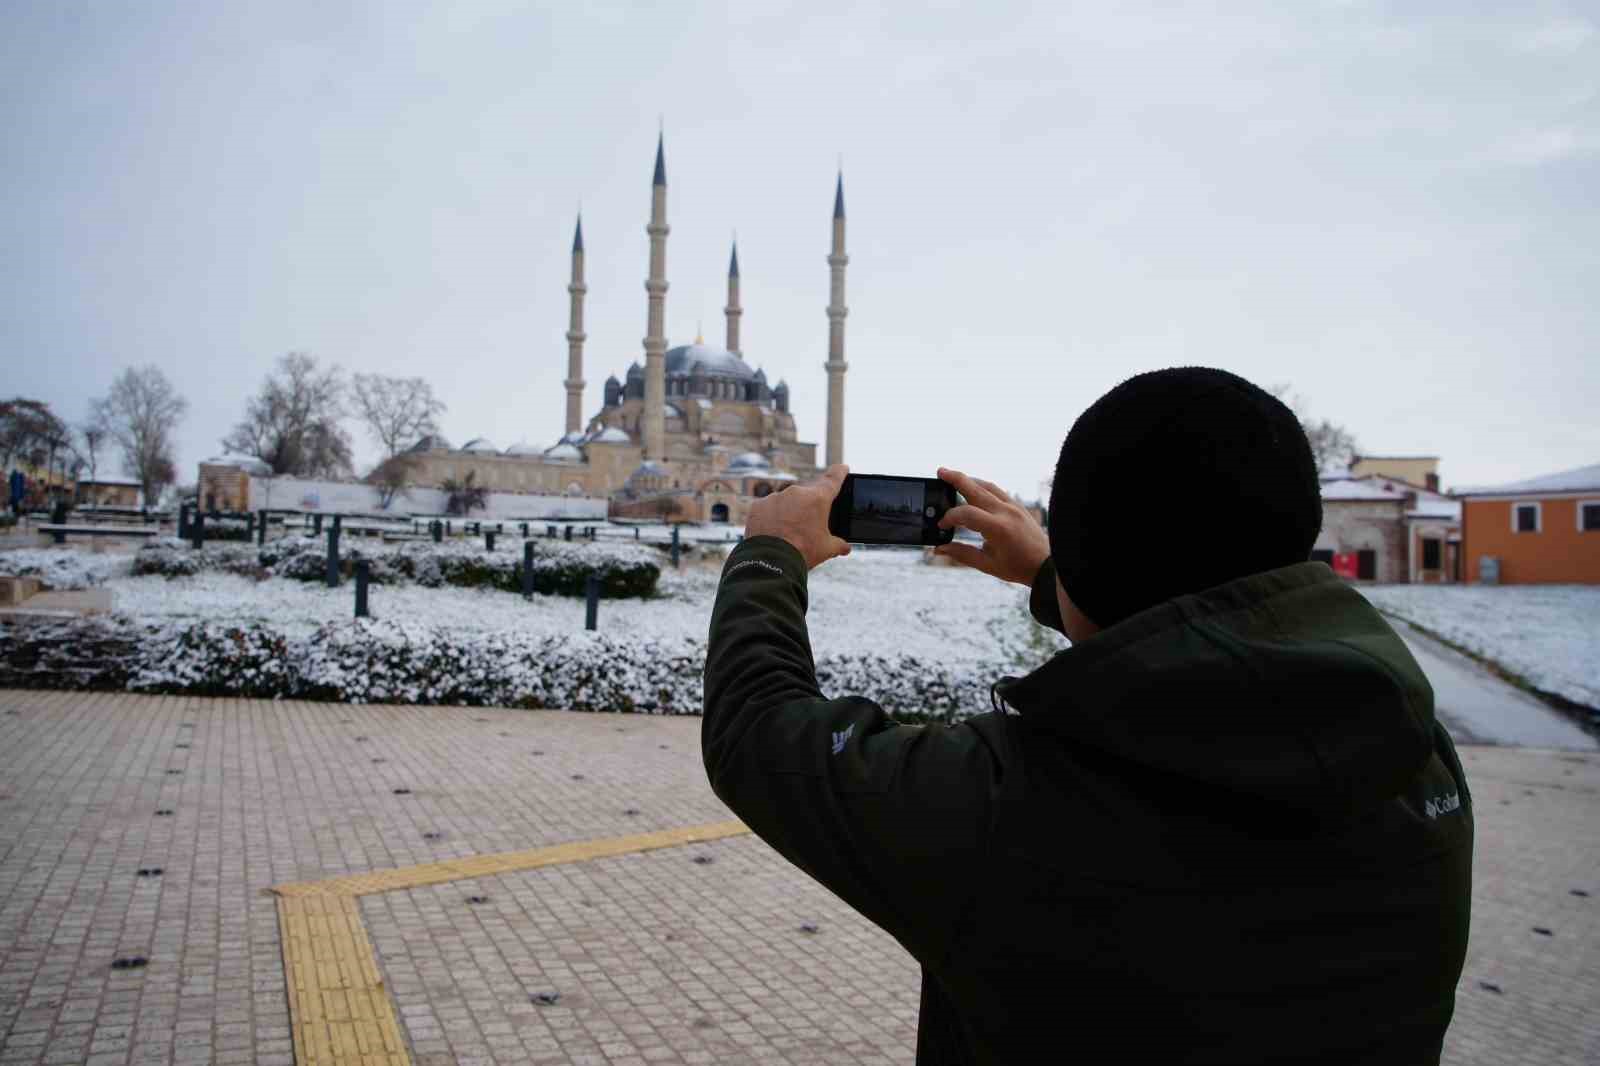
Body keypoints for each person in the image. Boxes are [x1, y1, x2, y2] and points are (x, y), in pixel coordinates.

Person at [702, 367, 1473, 1065]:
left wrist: (772, 553)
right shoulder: (1417, 762)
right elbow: (1205, 639)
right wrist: (1055, 574)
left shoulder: (1006, 807)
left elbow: (759, 728)